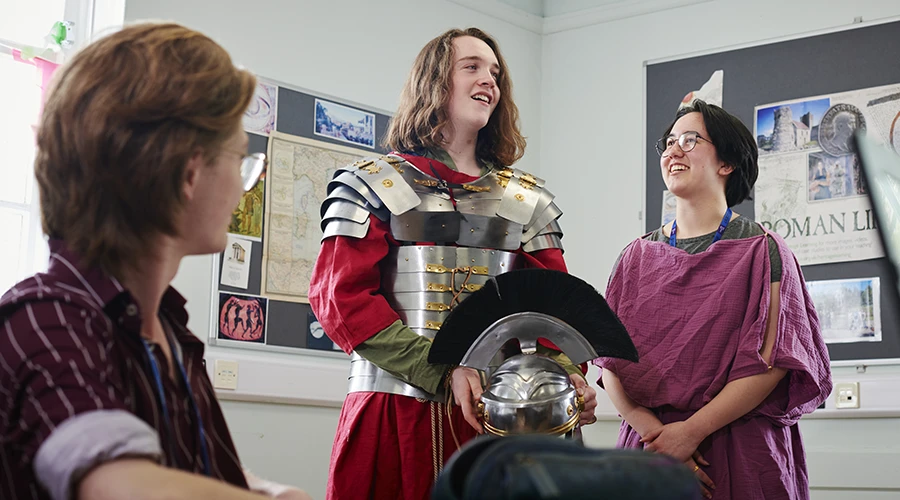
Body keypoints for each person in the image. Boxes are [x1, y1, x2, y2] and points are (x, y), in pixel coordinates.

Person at [0, 23, 309, 500]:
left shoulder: (172, 330)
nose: (243, 186)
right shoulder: (45, 318)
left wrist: (269, 491)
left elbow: (195, 475)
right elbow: (119, 484)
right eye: (241, 160)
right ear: (189, 171)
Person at [309, 27, 597, 500]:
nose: (489, 80)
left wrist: (568, 375)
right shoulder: (371, 184)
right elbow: (340, 299)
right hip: (396, 410)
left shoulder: (525, 199)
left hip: (504, 418)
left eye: (496, 73)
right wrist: (443, 369)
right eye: (472, 67)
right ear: (434, 81)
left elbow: (550, 310)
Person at [594, 100, 831, 499]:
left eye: (690, 140)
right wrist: (660, 437)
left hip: (739, 447)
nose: (673, 150)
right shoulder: (635, 257)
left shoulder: (764, 251)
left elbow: (770, 362)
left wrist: (691, 433)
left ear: (727, 163)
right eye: (668, 142)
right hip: (650, 450)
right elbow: (610, 362)